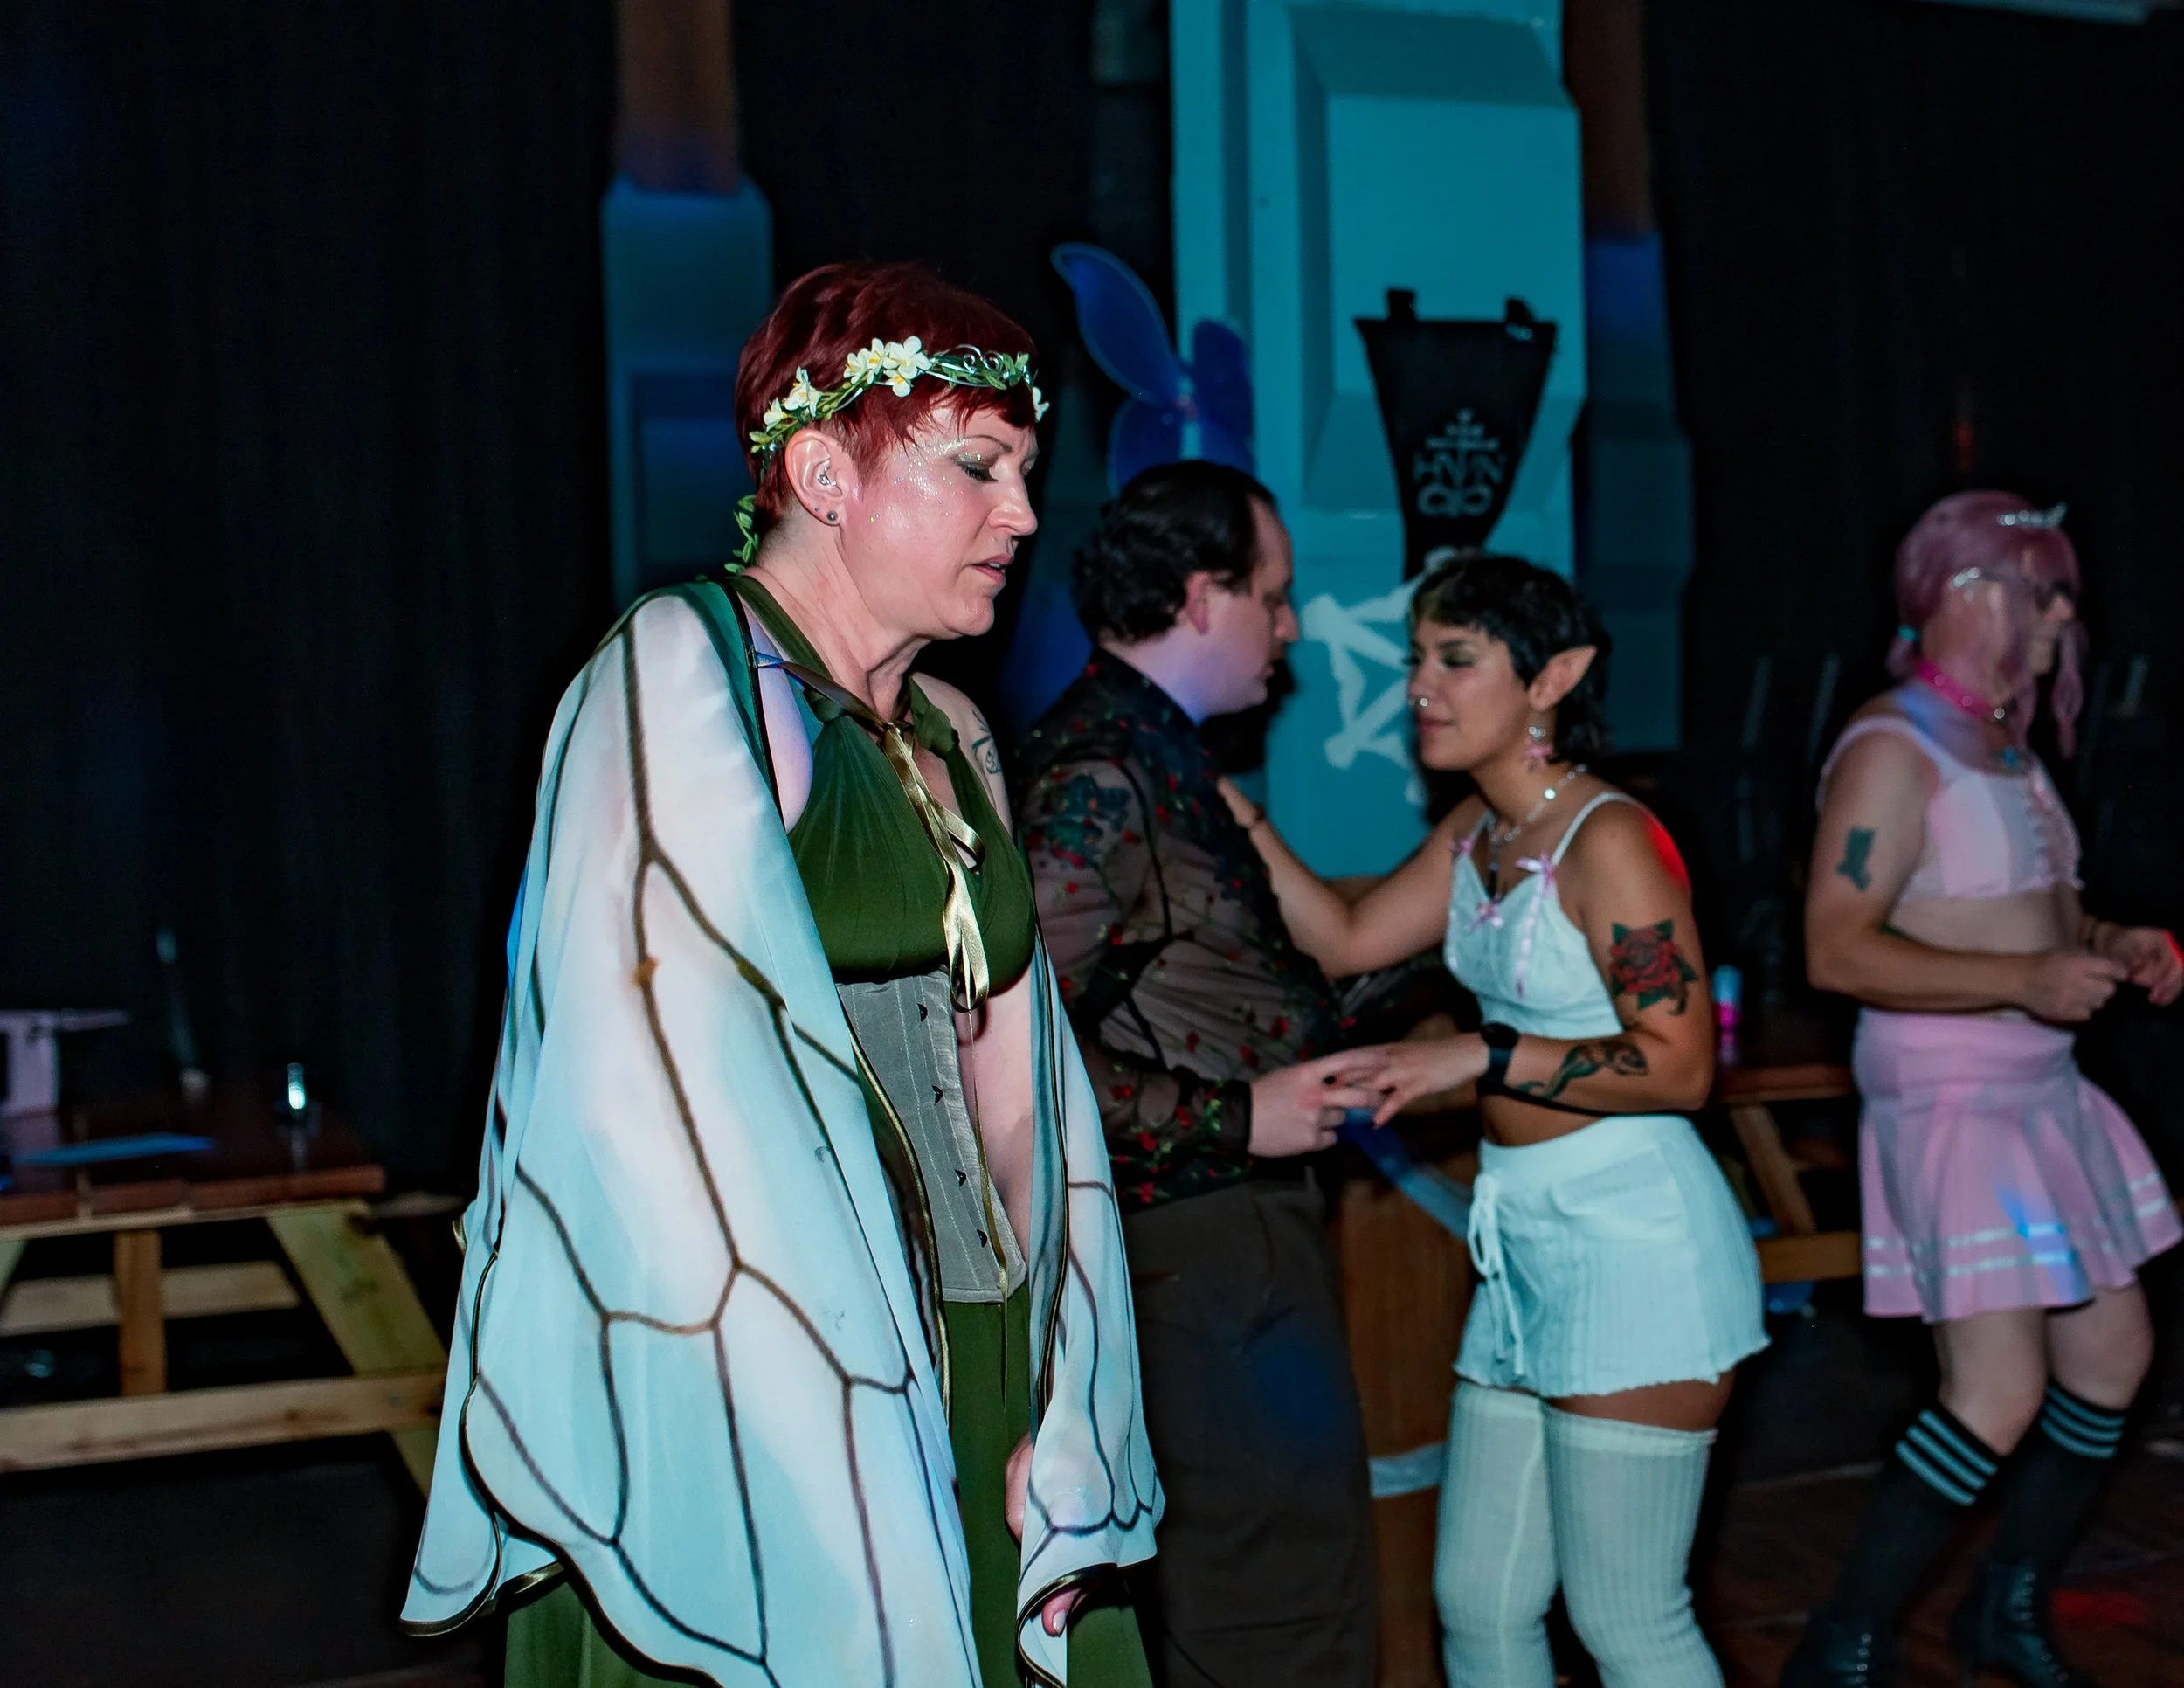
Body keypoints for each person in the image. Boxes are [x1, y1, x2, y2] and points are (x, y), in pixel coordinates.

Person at [401, 262, 1160, 1688]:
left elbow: (1018, 1098)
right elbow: (636, 1121)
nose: (1020, 513)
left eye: (1024, 473)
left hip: (977, 1342)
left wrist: (1056, 1397)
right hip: (754, 1388)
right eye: (978, 467)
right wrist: (823, 1448)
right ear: (824, 474)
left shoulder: (953, 730)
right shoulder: (686, 677)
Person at [1220, 551, 1766, 1688]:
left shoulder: (1609, 841)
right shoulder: (1481, 830)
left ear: (1553, 677)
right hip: (1523, 1249)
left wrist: (1483, 1053)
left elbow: (1681, 1068)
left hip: (1637, 1249)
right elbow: (1347, 940)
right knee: (1480, 1605)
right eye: (1418, 657)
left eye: (1457, 659)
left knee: (1630, 1622)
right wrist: (1233, 811)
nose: (1421, 685)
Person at [1782, 492, 2181, 1688]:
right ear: (1965, 594)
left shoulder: (2001, 744)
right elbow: (1834, 949)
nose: (2064, 615)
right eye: (2041, 591)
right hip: (1954, 1098)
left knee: (2111, 1359)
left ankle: (2003, 1607)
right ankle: (1843, 1644)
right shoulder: (1890, 748)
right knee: (1996, 1393)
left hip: (2040, 1088)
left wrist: (2110, 942)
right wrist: (2024, 978)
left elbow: (2036, 913)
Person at [1013, 461, 1387, 1688]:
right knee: (1272, 1619)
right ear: (1199, 596)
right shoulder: (1103, 775)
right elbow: (1012, 1053)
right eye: (1273, 597)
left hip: (1228, 1243)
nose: (1292, 628)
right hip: (1200, 1243)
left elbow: (1225, 988)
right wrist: (1239, 1117)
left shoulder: (1154, 755)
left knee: (1285, 1599)